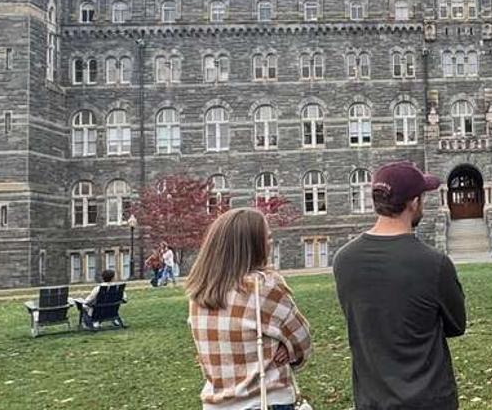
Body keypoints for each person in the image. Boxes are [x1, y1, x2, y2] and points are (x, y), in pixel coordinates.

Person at [333, 161, 467, 410]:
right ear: (414, 202)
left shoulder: (343, 260)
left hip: (372, 400)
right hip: (429, 400)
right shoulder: (434, 263)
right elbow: (457, 325)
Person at [188, 206, 312, 410]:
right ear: (253, 245)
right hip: (265, 399)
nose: (271, 244)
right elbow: (302, 341)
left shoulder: (198, 293)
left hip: (217, 403)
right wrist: (287, 348)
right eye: (268, 238)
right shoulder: (263, 287)